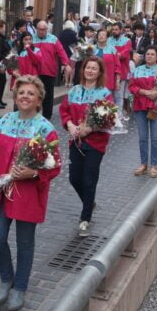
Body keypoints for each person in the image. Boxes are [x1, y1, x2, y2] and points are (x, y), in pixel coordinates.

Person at [0, 75, 61, 311]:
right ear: (15, 97)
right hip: (0, 188)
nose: (25, 96)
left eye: (31, 93)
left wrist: (32, 173)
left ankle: (20, 287)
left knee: (25, 242)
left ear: (39, 99)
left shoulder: (45, 129)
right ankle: (6, 277)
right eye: (22, 92)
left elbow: (55, 165)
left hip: (28, 194)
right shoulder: (4, 122)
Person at [59, 57, 113, 237]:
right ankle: (89, 203)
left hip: (95, 143)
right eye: (87, 68)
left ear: (99, 73)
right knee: (74, 178)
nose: (90, 71)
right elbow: (64, 111)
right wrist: (70, 125)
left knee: (89, 180)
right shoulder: (74, 91)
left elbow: (109, 118)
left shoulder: (104, 93)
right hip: (76, 141)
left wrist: (89, 129)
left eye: (94, 69)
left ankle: (85, 218)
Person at [128, 46, 157, 178]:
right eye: (147, 54)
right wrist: (144, 92)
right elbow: (131, 86)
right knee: (143, 137)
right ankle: (143, 164)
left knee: (156, 137)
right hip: (140, 106)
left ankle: (154, 165)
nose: (149, 56)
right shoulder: (138, 70)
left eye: (152, 54)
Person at [32, 20, 72, 119]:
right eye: (40, 29)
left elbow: (61, 52)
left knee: (48, 95)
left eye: (44, 30)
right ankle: (33, 114)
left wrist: (66, 64)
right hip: (34, 72)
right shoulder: (31, 39)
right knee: (34, 93)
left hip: (49, 71)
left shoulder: (53, 39)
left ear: (47, 29)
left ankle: (47, 115)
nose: (42, 32)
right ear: (36, 29)